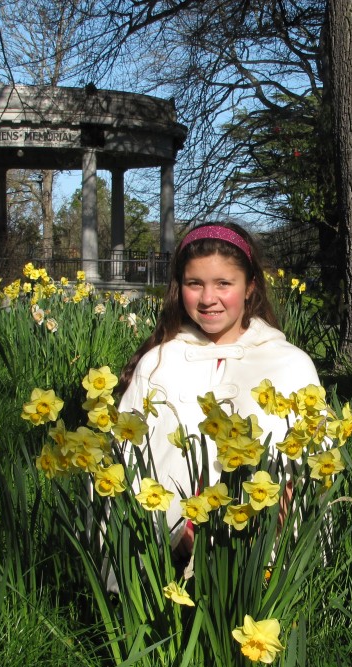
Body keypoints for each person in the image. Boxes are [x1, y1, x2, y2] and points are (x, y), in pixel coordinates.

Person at [116, 222, 321, 562]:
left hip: (259, 551)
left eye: (224, 284)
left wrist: (268, 526)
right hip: (168, 549)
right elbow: (127, 458)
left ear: (249, 287)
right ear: (179, 287)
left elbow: (307, 466)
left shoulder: (288, 365)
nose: (208, 298)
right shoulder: (159, 364)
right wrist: (173, 526)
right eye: (194, 284)